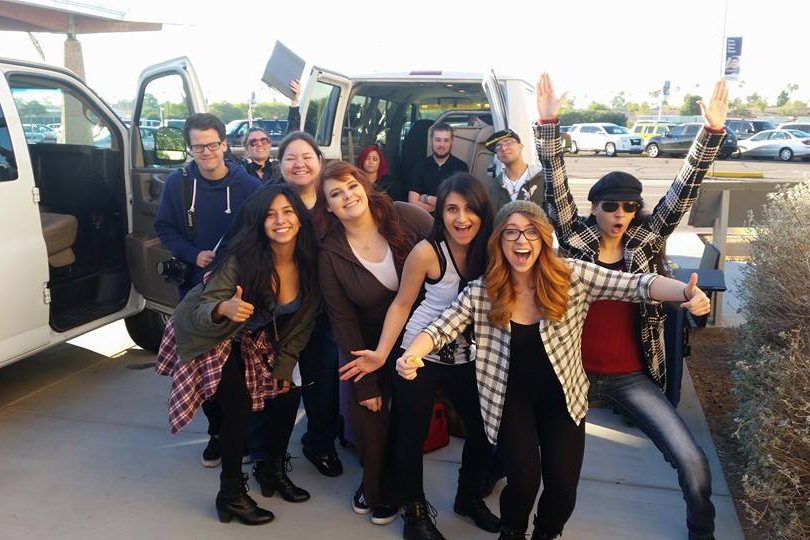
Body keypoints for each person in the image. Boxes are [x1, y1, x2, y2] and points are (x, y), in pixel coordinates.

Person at [396, 200, 712, 540]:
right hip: (509, 399)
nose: (522, 240)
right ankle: (512, 531)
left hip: (563, 397)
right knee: (524, 481)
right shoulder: (483, 291)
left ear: (545, 238)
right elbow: (442, 327)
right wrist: (412, 354)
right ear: (499, 241)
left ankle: (546, 534)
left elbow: (637, 285)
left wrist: (684, 293)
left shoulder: (571, 276)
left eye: (532, 231)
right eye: (512, 232)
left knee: (562, 487)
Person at [535, 73, 729, 540]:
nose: (621, 214)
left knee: (692, 460)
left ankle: (702, 531)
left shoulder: (644, 240)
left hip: (630, 376)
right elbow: (555, 185)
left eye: (629, 206)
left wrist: (711, 133)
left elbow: (683, 189)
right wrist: (548, 124)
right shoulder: (576, 239)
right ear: (594, 208)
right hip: (571, 372)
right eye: (610, 206)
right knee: (540, 463)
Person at [340, 173, 498, 539]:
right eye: (451, 209)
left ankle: (469, 497)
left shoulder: (491, 250)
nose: (461, 219)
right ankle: (414, 511)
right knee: (411, 432)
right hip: (419, 356)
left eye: (470, 209)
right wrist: (382, 353)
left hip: (466, 357)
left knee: (483, 428)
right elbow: (402, 304)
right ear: (439, 212)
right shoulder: (427, 252)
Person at [155, 183, 321, 525]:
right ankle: (230, 493)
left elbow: (303, 321)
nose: (280, 221)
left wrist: (285, 367)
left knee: (288, 394)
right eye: (270, 214)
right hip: (211, 332)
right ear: (259, 222)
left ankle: (271, 470)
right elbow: (202, 308)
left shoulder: (311, 263)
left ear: (300, 219)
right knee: (238, 405)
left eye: (288, 212)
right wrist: (224, 309)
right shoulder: (240, 258)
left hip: (255, 337)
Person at [316, 160, 432, 527]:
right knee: (367, 412)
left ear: (364, 186)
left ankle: (404, 487)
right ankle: (373, 486)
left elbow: (447, 249)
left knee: (409, 416)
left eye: (351, 186)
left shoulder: (405, 217)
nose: (347, 196)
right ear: (329, 207)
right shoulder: (331, 253)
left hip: (422, 336)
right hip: (368, 344)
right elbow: (342, 321)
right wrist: (365, 382)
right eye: (336, 194)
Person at [154, 112, 261, 468]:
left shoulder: (248, 187)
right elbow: (165, 229)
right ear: (189, 148)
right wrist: (191, 253)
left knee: (237, 367)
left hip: (238, 289)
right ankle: (218, 432)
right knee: (200, 362)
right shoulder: (178, 184)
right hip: (194, 291)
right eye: (198, 147)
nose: (206, 152)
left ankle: (239, 433)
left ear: (224, 144)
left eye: (212, 145)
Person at [272, 130, 344, 477]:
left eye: (306, 157)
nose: (299, 164)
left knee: (323, 381)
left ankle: (320, 442)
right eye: (290, 158)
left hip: (325, 313)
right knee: (276, 383)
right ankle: (267, 452)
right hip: (281, 311)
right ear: (280, 165)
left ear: (319, 161)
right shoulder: (270, 201)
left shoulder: (335, 201)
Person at [244, 80, 302, 183]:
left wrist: (294, 101)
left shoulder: (280, 170)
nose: (259, 144)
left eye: (264, 140)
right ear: (247, 147)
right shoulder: (241, 171)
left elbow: (292, 137)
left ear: (270, 144)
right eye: (253, 142)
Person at [408, 122, 469, 213]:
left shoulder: (462, 168)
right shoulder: (419, 167)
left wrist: (427, 198)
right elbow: (412, 202)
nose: (441, 145)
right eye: (438, 140)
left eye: (446, 140)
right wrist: (444, 206)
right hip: (425, 219)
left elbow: (461, 202)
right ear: (431, 141)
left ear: (451, 142)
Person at [484, 128, 544, 211]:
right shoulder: (494, 187)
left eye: (508, 142)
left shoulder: (543, 179)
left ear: (520, 146)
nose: (503, 148)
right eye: (498, 146)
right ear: (497, 156)